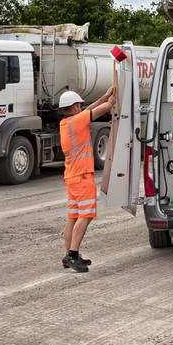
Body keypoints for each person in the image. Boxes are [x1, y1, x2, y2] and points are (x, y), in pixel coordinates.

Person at [59, 87, 116, 272]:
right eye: (79, 105)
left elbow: (90, 108)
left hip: (71, 177)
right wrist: (112, 100)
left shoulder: (66, 123)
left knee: (73, 217)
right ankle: (73, 255)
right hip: (82, 177)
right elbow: (104, 108)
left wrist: (105, 95)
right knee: (86, 216)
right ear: (75, 107)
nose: (81, 107)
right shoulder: (78, 121)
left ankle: (68, 254)